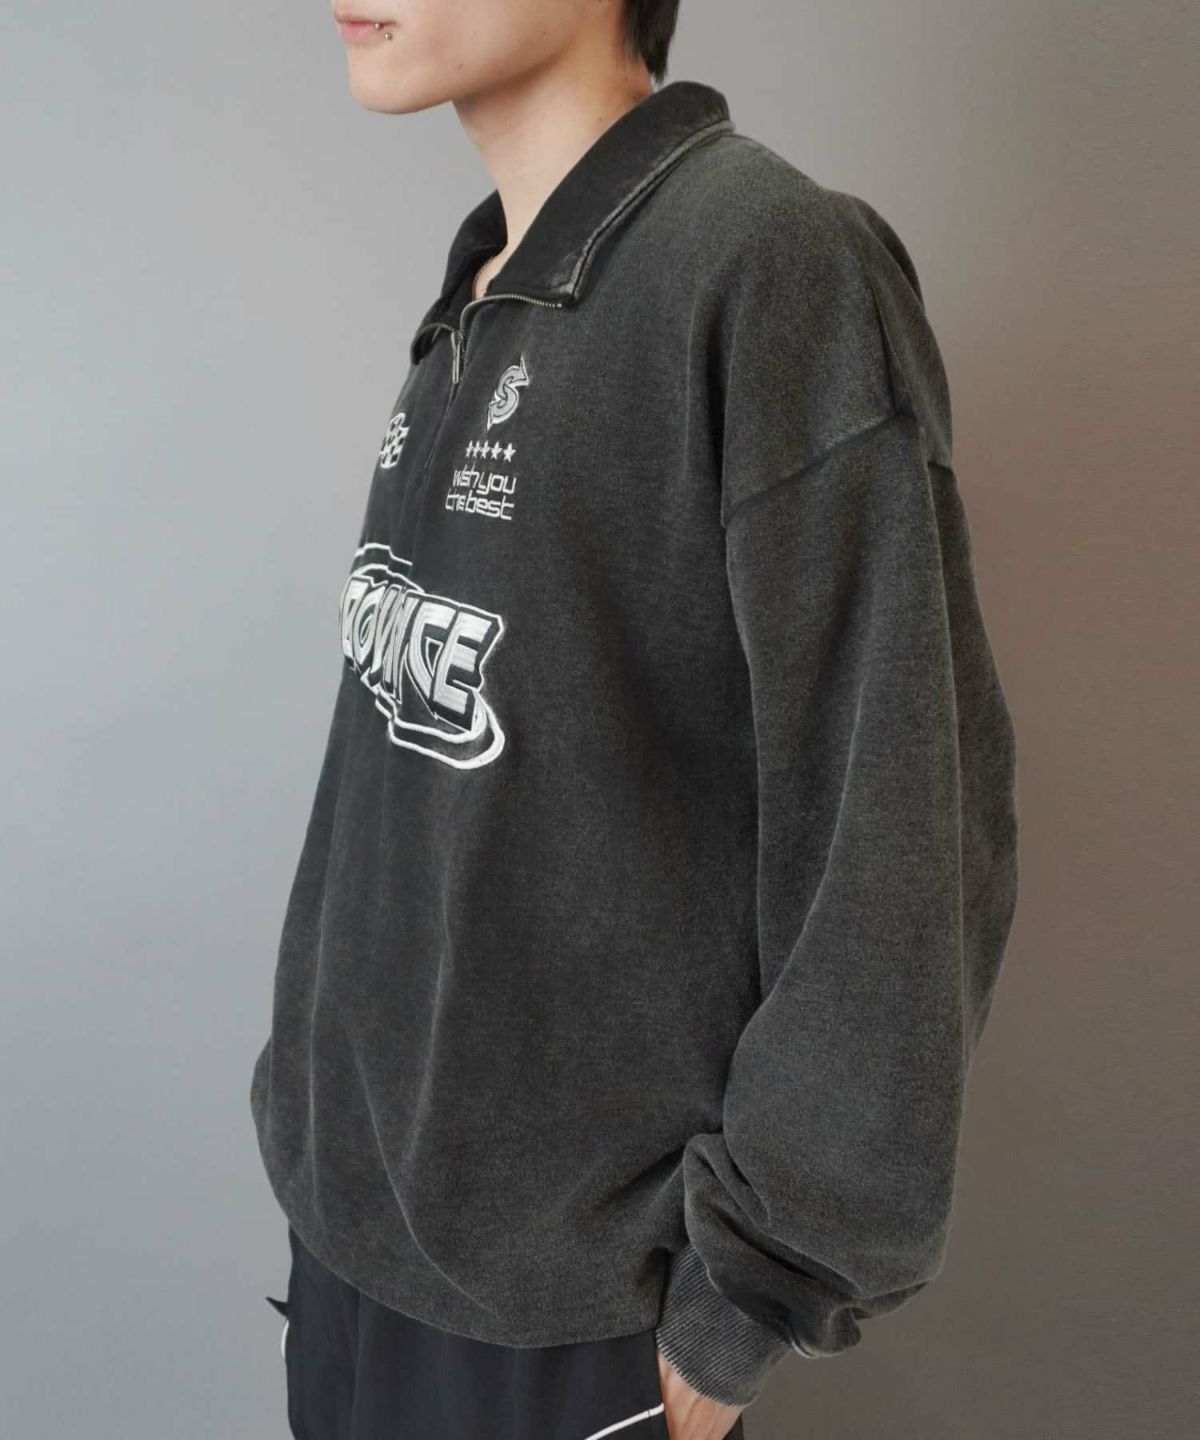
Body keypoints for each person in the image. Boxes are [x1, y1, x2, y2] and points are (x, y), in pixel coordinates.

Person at [248, 3, 1020, 1438]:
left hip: (568, 1314)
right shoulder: (488, 288)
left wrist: (752, 1296)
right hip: (357, 1251)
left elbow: (903, 837)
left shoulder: (768, 264)